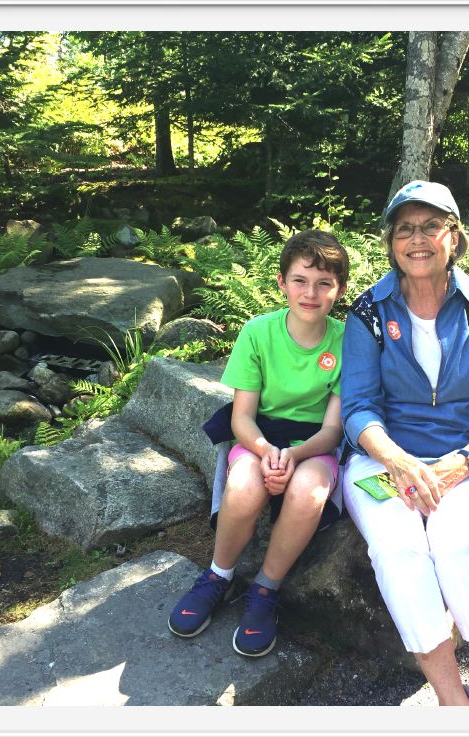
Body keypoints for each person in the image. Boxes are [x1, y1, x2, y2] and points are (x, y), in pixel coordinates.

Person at [340, 180, 469, 706]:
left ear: (454, 236)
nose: (416, 240)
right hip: (383, 459)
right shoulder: (369, 312)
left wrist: (463, 462)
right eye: (405, 229)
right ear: (391, 242)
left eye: (430, 227)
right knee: (398, 549)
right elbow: (358, 408)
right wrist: (398, 462)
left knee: (457, 541)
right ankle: (453, 701)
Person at [168, 229, 349, 658]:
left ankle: (265, 590)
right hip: (259, 436)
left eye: (324, 283)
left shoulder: (347, 341)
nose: (311, 292)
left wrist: (294, 455)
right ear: (282, 283)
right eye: (300, 280)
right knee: (246, 482)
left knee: (310, 490)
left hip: (314, 443)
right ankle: (218, 576)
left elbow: (333, 429)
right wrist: (268, 451)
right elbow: (242, 416)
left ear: (339, 290)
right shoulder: (257, 332)